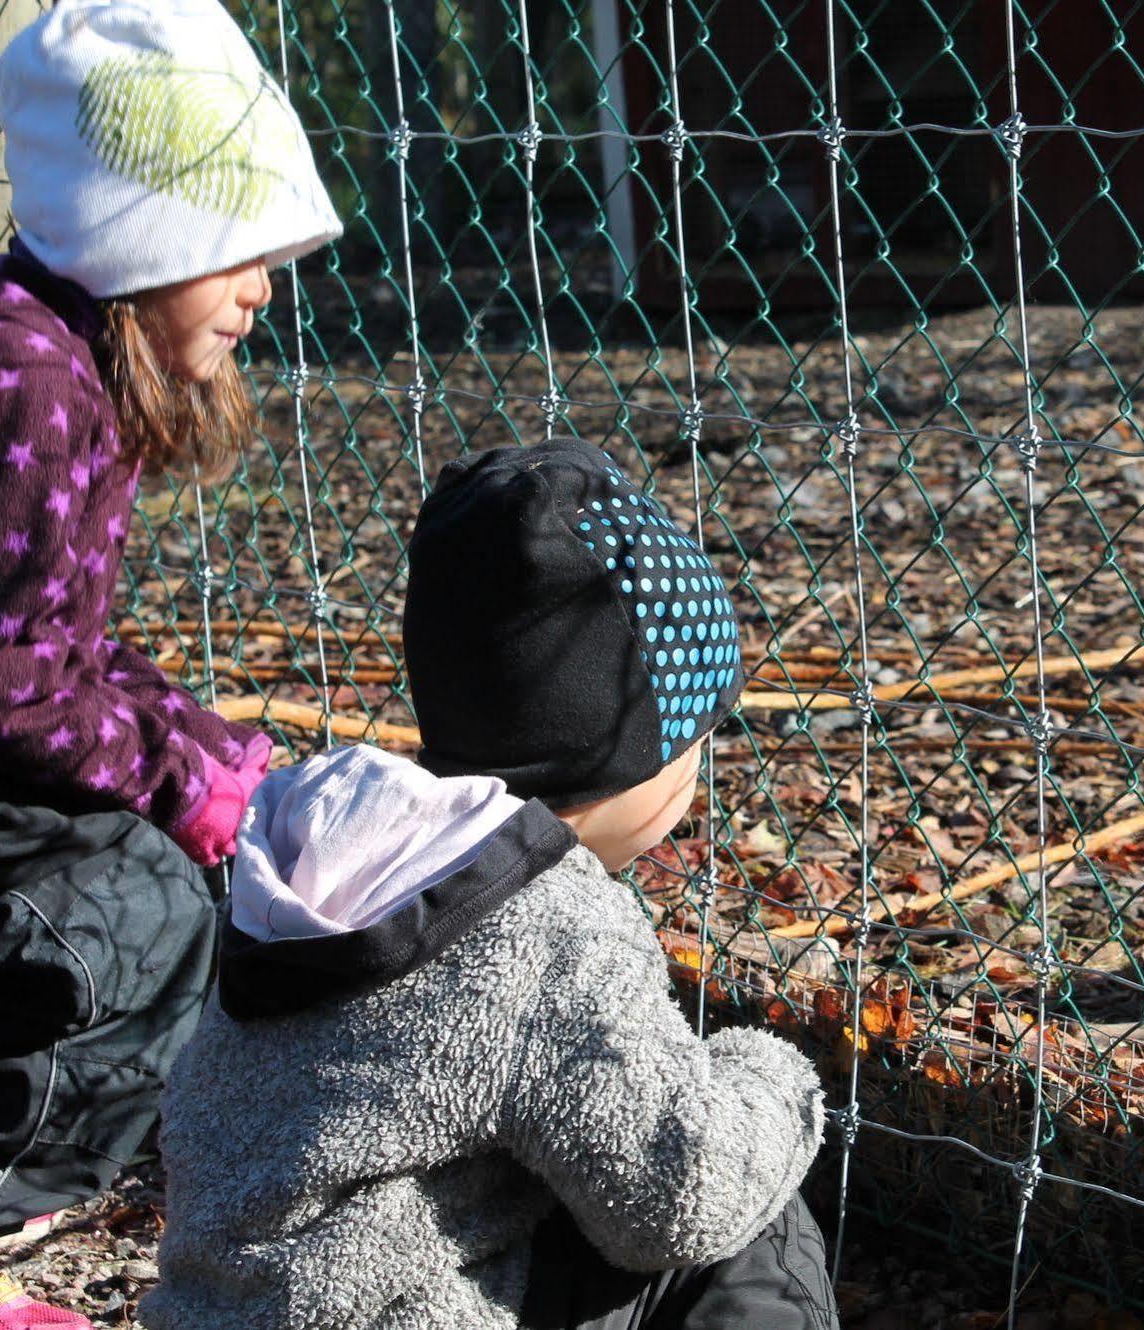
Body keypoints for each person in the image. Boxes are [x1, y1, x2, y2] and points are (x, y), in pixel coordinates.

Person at [0, 2, 340, 1327]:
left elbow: (46, 643)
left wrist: (207, 753)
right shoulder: (23, 387)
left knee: (115, 876)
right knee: (136, 910)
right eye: (231, 251)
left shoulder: (35, 347)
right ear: (138, 235)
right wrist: (181, 787)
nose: (260, 288)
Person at [143, 439, 838, 1330]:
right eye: (699, 741)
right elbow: (681, 1195)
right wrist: (769, 1072)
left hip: (217, 1310)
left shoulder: (324, 854)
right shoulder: (549, 919)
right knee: (748, 1202)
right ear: (637, 754)